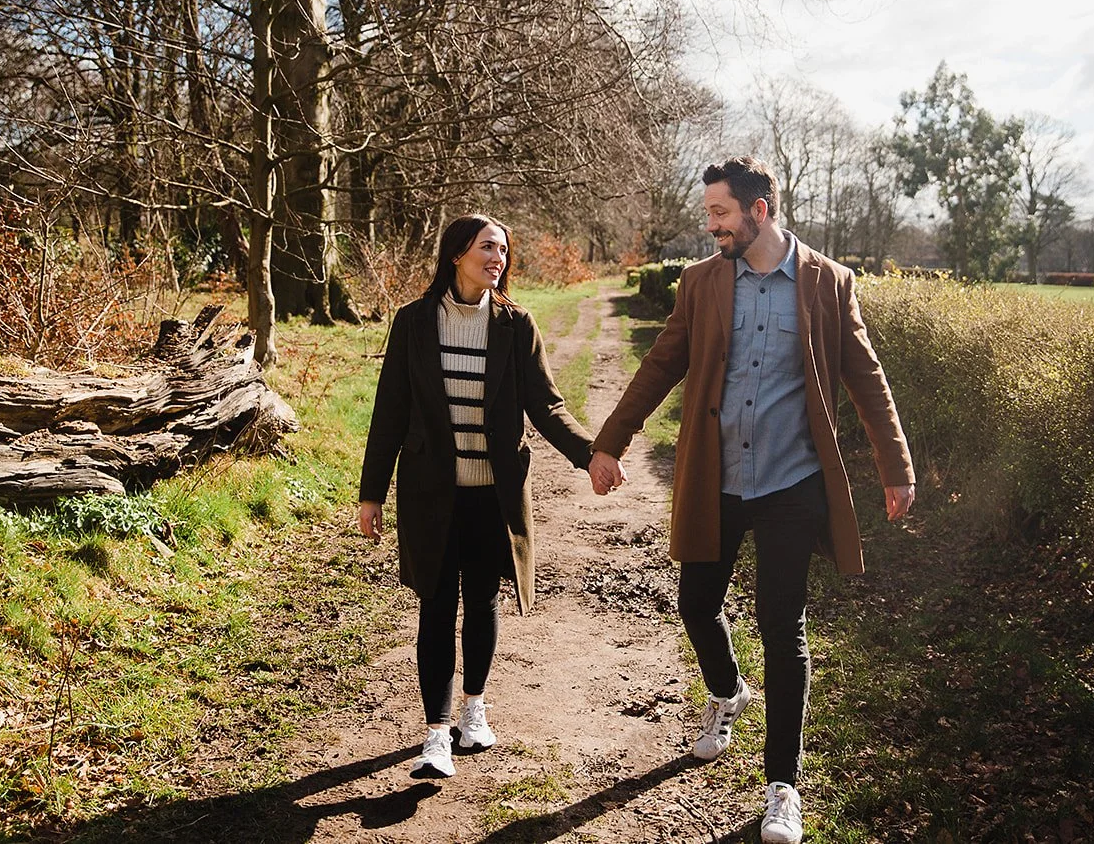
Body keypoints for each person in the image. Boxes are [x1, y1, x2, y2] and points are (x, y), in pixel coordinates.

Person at [587, 157, 915, 844]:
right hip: (717, 476)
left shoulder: (828, 282)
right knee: (695, 603)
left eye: (719, 214)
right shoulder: (703, 281)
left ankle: (782, 788)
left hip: (792, 484)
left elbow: (866, 376)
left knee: (781, 625)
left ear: (758, 211)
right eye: (709, 214)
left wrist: (895, 465)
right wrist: (611, 441)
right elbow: (662, 363)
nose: (710, 226)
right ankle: (728, 691)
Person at [359, 214, 595, 779]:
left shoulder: (517, 326)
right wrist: (372, 494)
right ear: (457, 252)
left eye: (505, 250)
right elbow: (389, 411)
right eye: (489, 247)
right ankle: (436, 734)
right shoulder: (414, 323)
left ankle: (474, 708)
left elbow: (547, 404)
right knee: (436, 606)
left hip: (493, 496)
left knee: (483, 601)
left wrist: (592, 454)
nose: (500, 258)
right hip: (430, 494)